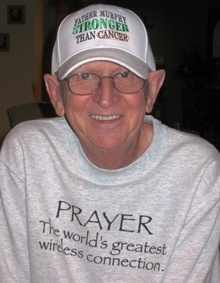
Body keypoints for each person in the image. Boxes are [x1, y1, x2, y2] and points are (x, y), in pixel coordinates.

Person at [0, 3, 219, 283]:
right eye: (85, 76)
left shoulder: (197, 171)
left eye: (125, 75)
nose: (105, 98)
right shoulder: (26, 153)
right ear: (56, 94)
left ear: (152, 90)